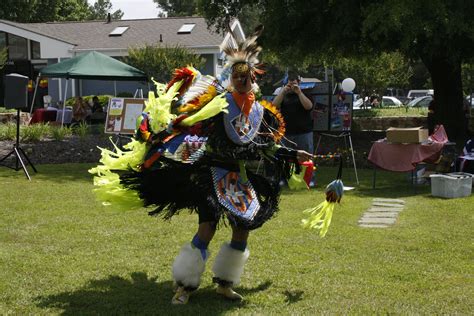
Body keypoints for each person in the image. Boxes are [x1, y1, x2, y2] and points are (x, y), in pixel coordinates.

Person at [89, 26, 312, 305]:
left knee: (242, 228)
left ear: (253, 78)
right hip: (210, 173)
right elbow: (190, 128)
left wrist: (293, 153)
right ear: (232, 78)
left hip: (238, 177)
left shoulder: (259, 110)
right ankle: (185, 285)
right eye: (238, 77)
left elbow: (266, 142)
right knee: (207, 226)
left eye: (247, 77)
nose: (242, 81)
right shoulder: (217, 103)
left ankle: (225, 283)